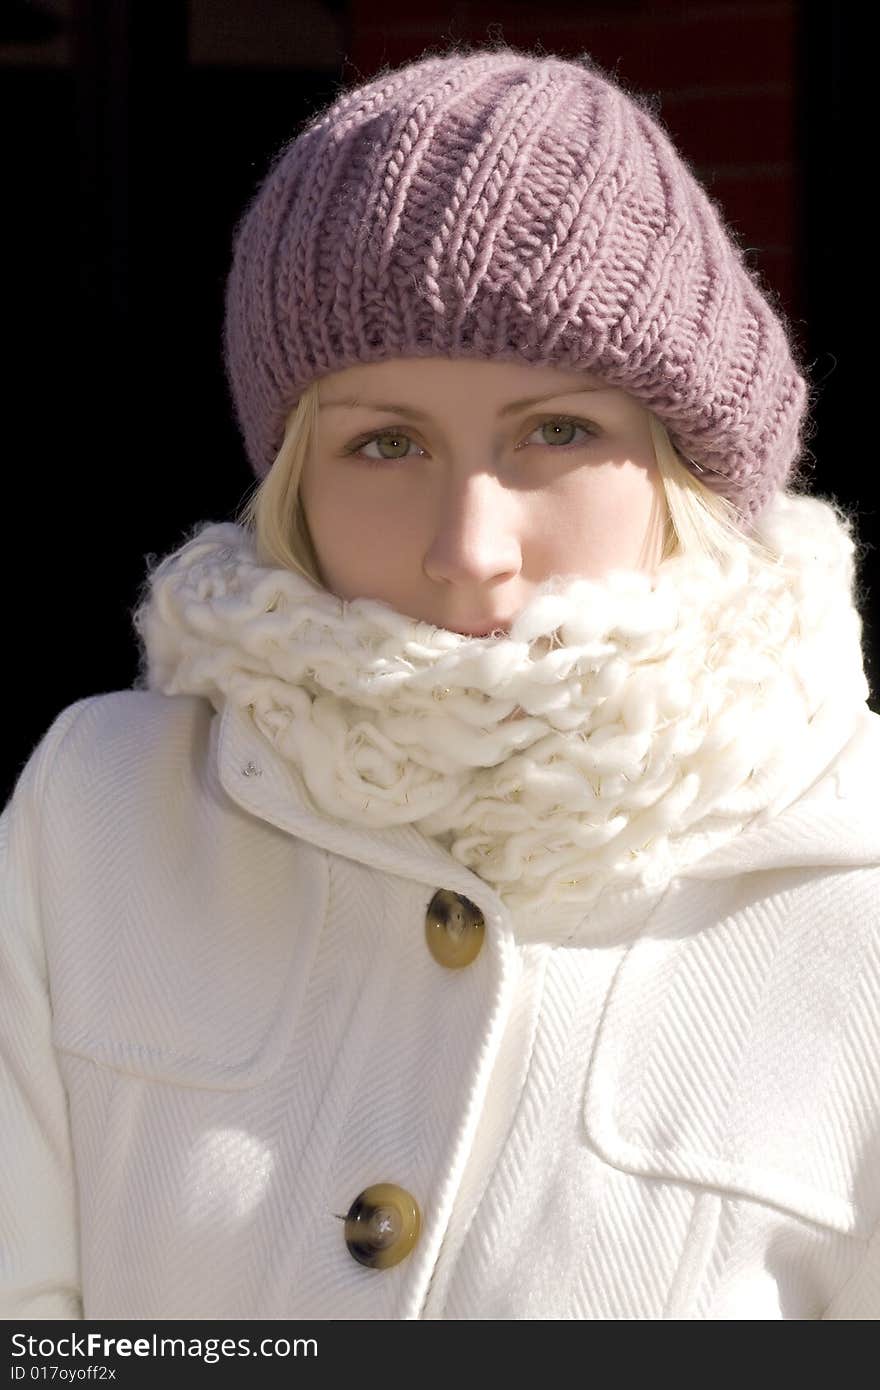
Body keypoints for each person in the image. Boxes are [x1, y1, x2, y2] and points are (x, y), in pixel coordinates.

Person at [2, 41, 879, 1322]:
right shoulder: (98, 814)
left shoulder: (854, 878)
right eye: (383, 442)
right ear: (295, 472)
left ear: (688, 467)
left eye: (558, 431)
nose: (467, 550)